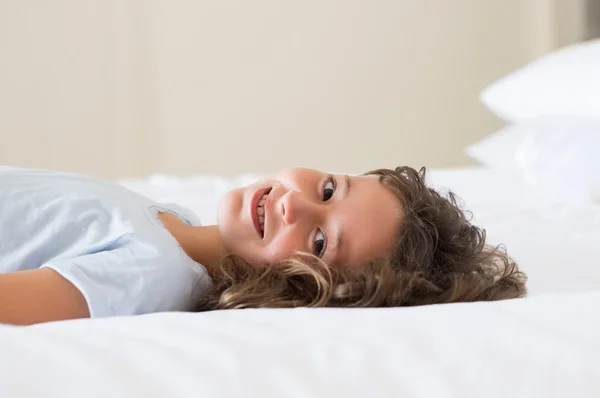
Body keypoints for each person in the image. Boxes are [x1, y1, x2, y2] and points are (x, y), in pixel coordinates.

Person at [0, 165, 526, 325]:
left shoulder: (151, 273)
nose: (293, 205)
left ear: (300, 287)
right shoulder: (174, 220)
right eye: (327, 189)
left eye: (320, 240)